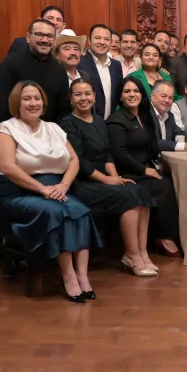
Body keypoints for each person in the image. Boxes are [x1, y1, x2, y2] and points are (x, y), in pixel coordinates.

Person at [0, 81, 102, 303]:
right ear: (17, 103)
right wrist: (42, 189)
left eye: (37, 98)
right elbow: (8, 167)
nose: (33, 103)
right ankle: (68, 276)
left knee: (80, 210)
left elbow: (74, 160)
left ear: (43, 102)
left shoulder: (53, 128)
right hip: (15, 192)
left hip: (55, 189)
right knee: (57, 213)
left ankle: (82, 275)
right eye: (27, 99)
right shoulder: (6, 129)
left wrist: (64, 185)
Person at [60, 79, 158, 277]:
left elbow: (107, 155)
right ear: (70, 99)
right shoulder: (67, 124)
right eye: (78, 94)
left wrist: (115, 177)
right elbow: (79, 162)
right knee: (128, 196)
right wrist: (106, 180)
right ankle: (131, 256)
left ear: (94, 96)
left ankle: (142, 252)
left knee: (140, 190)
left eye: (87, 93)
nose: (84, 98)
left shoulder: (98, 121)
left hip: (103, 176)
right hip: (82, 182)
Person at [106, 77, 181, 257]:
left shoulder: (144, 117)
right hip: (127, 172)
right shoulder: (116, 120)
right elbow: (119, 153)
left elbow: (152, 143)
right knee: (163, 186)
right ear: (120, 96)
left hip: (144, 167)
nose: (132, 95)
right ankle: (161, 237)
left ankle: (162, 235)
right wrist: (144, 170)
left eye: (136, 91)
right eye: (127, 91)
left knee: (170, 181)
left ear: (142, 94)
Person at [0, 19, 71, 130]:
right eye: (39, 34)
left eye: (50, 36)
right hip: (14, 134)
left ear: (54, 40)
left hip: (48, 135)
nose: (45, 40)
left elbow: (63, 111)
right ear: (28, 37)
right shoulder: (10, 64)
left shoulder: (59, 70)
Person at [78, 24, 123, 119]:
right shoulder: (79, 63)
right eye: (97, 38)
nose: (102, 42)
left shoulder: (116, 65)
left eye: (106, 39)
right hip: (86, 121)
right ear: (89, 40)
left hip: (111, 123)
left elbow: (118, 96)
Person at [151, 80, 187, 151]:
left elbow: (177, 132)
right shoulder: (145, 114)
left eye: (170, 98)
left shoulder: (169, 115)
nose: (167, 100)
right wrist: (185, 146)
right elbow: (154, 143)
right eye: (163, 96)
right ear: (152, 96)